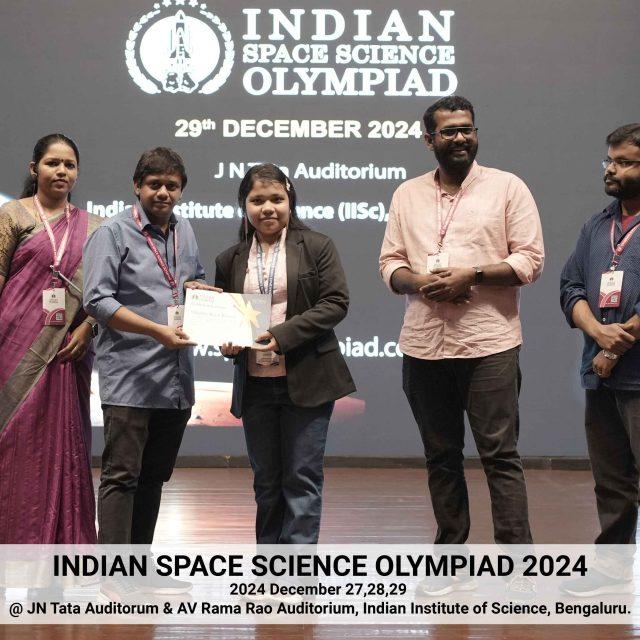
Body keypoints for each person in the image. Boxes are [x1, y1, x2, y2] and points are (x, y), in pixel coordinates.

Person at [379, 96, 544, 591]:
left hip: (489, 343)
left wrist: (470, 274)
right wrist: (419, 282)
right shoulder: (407, 194)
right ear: (428, 139)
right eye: (448, 131)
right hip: (423, 345)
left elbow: (529, 260)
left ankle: (518, 567)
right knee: (441, 457)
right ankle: (450, 562)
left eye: (466, 129)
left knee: (500, 455)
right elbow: (390, 263)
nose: (459, 138)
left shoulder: (508, 187)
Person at [83, 147, 214, 554]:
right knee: (122, 477)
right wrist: (156, 331)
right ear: (137, 186)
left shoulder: (184, 229)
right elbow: (97, 301)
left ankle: (139, 568)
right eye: (154, 184)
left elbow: (191, 278)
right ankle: (113, 573)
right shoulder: (112, 232)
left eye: (171, 186)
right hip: (131, 377)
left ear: (181, 190)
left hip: (175, 379)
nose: (163, 193)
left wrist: (198, 290)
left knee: (154, 477)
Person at [216, 163, 355, 544]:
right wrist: (227, 341)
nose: (268, 208)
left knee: (301, 480)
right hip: (256, 386)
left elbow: (335, 303)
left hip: (308, 380)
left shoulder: (317, 246)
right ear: (244, 205)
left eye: (276, 199)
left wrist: (280, 336)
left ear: (290, 202)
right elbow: (227, 318)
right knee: (266, 483)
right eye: (257, 200)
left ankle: (297, 571)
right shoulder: (230, 259)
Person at [0, 133, 99, 544]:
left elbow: (103, 294)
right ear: (34, 168)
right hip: (11, 346)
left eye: (69, 165)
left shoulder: (94, 227)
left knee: (61, 446)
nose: (61, 171)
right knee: (13, 442)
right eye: (52, 163)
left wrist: (88, 327)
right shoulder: (12, 215)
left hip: (68, 349)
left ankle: (57, 558)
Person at [560, 123, 640, 596]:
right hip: (601, 378)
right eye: (609, 160)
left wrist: (613, 347)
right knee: (611, 482)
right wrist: (596, 333)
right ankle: (611, 573)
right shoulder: (597, 225)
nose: (611, 169)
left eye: (624, 162)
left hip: (632, 373)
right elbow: (571, 287)